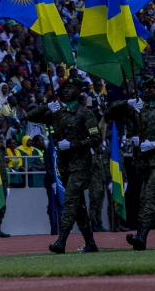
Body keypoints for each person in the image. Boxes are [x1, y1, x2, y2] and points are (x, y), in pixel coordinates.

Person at [106, 74, 155, 251]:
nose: (148, 91)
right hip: (143, 164)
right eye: (146, 88)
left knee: (148, 197)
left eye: (153, 88)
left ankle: (141, 236)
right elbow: (108, 113)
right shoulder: (137, 110)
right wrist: (127, 103)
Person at [26, 75, 100, 253]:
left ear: (78, 92)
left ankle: (61, 241)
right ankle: (90, 243)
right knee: (79, 205)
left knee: (70, 200)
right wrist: (47, 107)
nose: (66, 90)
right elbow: (29, 116)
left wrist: (73, 144)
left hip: (81, 165)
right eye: (64, 88)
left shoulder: (85, 114)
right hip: (65, 165)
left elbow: (96, 138)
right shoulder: (58, 113)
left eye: (71, 88)